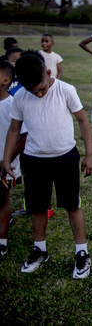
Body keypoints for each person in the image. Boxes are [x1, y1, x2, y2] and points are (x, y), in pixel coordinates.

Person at [1, 50, 92, 278]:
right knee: (37, 207)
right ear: (21, 84)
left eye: (42, 87)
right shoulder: (21, 97)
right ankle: (39, 249)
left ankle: (81, 253)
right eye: (34, 91)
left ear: (49, 72)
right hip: (33, 160)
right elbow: (15, 129)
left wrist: (89, 153)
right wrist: (6, 159)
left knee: (73, 205)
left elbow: (82, 120)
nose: (40, 93)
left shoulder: (65, 90)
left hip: (65, 157)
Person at [0, 61, 27, 257]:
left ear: (5, 80)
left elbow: (23, 137)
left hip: (4, 165)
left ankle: (2, 241)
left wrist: (7, 160)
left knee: (2, 200)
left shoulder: (12, 104)